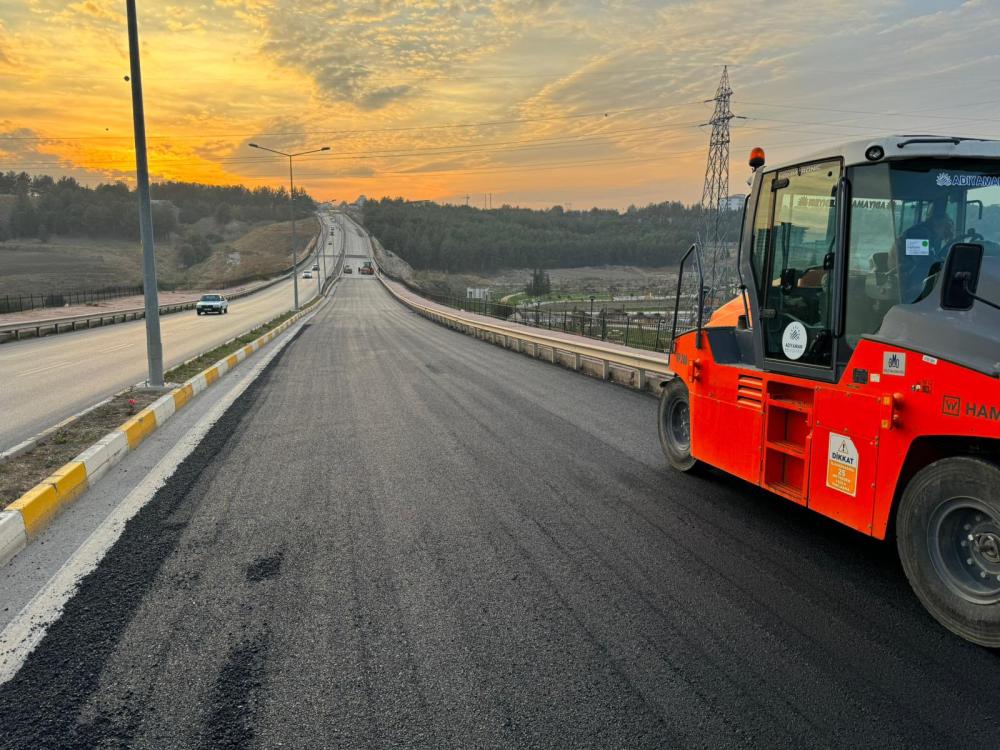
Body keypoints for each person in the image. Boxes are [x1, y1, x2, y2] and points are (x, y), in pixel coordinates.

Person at [898, 204, 954, 302]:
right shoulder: (917, 233)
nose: (946, 231)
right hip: (905, 281)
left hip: (912, 276)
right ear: (937, 223)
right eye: (946, 226)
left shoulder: (927, 235)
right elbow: (922, 261)